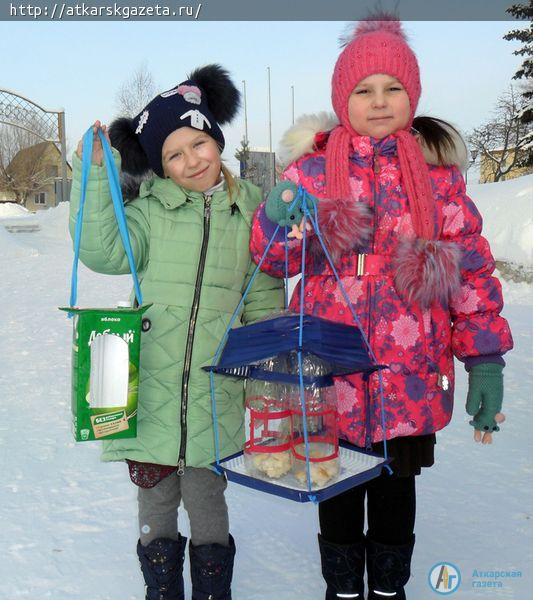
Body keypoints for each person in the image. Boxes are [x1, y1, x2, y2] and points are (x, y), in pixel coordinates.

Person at [249, 17, 513, 600]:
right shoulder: (312, 173)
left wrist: (485, 358)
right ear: (343, 99)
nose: (378, 101)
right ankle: (342, 590)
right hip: (331, 370)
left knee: (395, 495)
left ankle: (389, 588)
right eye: (363, 90)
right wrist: (277, 216)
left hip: (409, 376)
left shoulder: (441, 182)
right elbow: (273, 259)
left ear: (412, 96)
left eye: (392, 88)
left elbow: (470, 274)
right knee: (336, 487)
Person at [70, 64, 284, 600]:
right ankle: (161, 588)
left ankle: (214, 590)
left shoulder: (249, 212)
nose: (191, 160)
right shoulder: (146, 215)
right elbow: (101, 248)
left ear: (215, 137)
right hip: (151, 391)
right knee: (156, 500)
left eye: (198, 143)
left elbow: (263, 297)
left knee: (208, 500)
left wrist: (264, 379)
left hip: (218, 389)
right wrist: (96, 175)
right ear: (160, 167)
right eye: (173, 154)